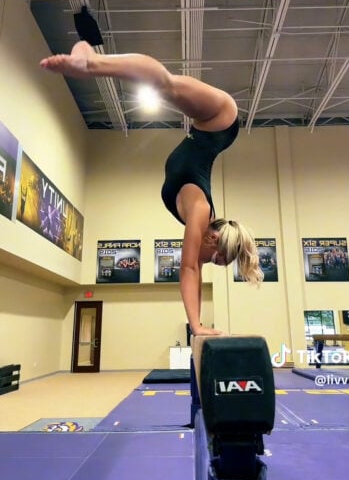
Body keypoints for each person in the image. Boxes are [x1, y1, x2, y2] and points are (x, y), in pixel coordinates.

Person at [41, 41, 263, 336]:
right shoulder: (200, 212)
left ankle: (92, 62)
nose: (208, 262)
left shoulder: (199, 222)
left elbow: (194, 272)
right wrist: (196, 326)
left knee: (166, 86)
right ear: (214, 238)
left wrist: (199, 323)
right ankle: (91, 63)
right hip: (220, 120)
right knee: (165, 85)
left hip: (207, 129)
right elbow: (189, 269)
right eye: (215, 259)